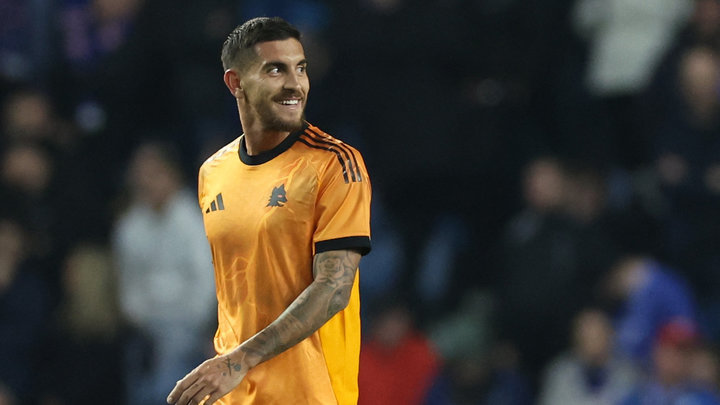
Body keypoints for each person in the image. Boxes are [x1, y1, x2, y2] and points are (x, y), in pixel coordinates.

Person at [167, 17, 372, 405]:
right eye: (276, 70)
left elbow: (334, 289)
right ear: (236, 83)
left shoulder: (335, 164)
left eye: (301, 68)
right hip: (233, 394)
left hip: (311, 396)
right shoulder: (213, 172)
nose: (295, 84)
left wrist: (240, 359)